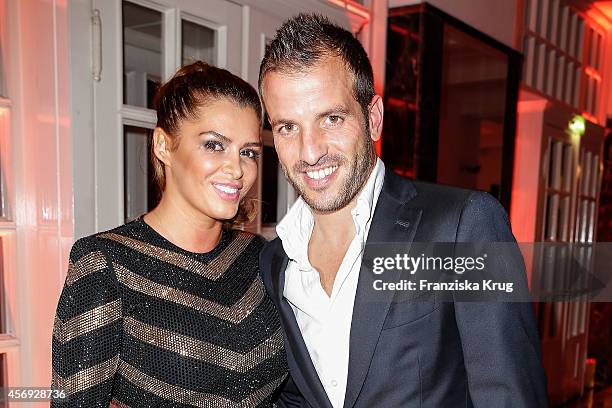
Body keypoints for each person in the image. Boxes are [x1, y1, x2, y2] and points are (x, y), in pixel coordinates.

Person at [258, 14, 548, 408]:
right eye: (288, 127)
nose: (310, 151)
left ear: (373, 118)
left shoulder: (462, 226)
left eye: (332, 118)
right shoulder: (276, 261)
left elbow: (509, 396)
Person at [51, 61, 287, 407]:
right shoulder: (105, 266)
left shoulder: (258, 257)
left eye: (248, 152)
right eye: (214, 145)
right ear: (163, 145)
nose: (237, 168)